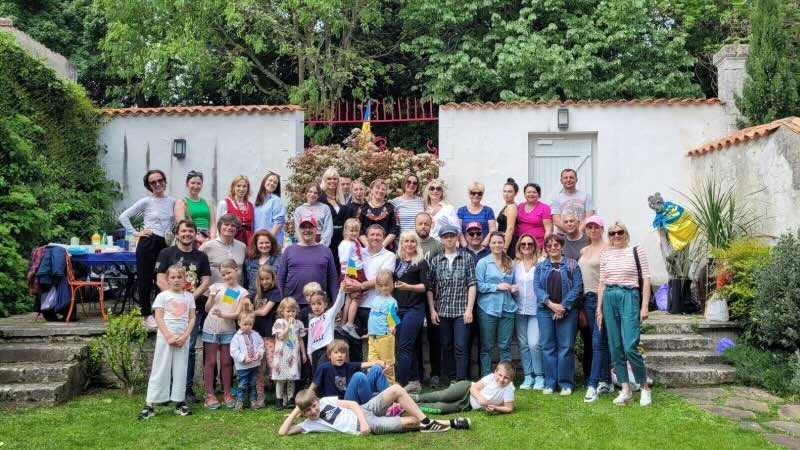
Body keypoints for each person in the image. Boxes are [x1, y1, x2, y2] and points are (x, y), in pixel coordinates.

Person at [154, 220, 211, 404]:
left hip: (192, 308)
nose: (187, 234)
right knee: (167, 347)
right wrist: (173, 299)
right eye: (183, 231)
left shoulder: (201, 255)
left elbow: (205, 281)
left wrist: (188, 299)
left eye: (191, 231)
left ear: (195, 234)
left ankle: (185, 389)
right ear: (177, 233)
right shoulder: (166, 253)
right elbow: (160, 278)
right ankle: (166, 390)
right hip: (170, 311)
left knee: (190, 347)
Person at [597, 221, 652, 406]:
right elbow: (602, 282)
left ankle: (644, 387)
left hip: (629, 296)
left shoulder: (636, 251)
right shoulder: (605, 254)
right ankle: (625, 389)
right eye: (612, 233)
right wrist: (599, 308)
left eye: (620, 232)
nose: (616, 236)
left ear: (626, 234)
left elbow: (646, 279)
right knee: (615, 346)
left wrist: (644, 306)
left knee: (630, 345)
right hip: (610, 297)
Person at [278, 385, 467, 436]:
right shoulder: (308, 424)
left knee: (396, 389)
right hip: (370, 424)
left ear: (317, 401)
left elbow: (352, 404)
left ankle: (426, 421)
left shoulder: (327, 401)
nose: (313, 410)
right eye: (308, 410)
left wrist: (363, 421)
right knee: (410, 422)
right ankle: (452, 423)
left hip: (364, 410)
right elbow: (282, 433)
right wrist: (296, 411)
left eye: (313, 405)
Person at [119, 169, 176, 329]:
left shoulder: (172, 201)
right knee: (145, 279)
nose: (157, 184)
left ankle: (159, 312)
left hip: (165, 244)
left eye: (160, 180)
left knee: (162, 279)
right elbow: (123, 217)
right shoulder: (146, 201)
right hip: (148, 242)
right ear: (149, 185)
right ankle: (145, 314)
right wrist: (137, 233)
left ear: (164, 181)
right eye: (153, 182)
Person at [138, 264, 196, 419]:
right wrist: (169, 336)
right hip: (166, 338)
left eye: (179, 277)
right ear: (167, 279)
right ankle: (150, 404)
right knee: (160, 368)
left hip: (183, 339)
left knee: (180, 370)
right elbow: (158, 317)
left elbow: (192, 318)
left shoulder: (189, 297)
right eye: (173, 277)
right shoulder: (162, 296)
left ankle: (179, 402)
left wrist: (184, 336)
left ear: (185, 280)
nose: (176, 280)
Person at [535, 234, 583, 396]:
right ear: (546, 249)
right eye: (549, 246)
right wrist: (551, 305)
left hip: (567, 312)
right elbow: (537, 288)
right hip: (545, 311)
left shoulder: (572, 264)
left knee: (566, 347)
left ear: (561, 247)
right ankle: (550, 383)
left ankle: (565, 383)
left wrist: (562, 307)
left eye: (556, 245)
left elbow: (577, 288)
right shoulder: (540, 267)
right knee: (548, 347)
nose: (553, 248)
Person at [428, 225, 477, 382]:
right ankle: (452, 378)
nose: (449, 239)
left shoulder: (466, 258)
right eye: (445, 236)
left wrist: (469, 309)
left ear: (457, 238)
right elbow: (430, 287)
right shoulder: (436, 261)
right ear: (441, 240)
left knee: (461, 346)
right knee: (447, 346)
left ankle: (462, 380)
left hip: (462, 310)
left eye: (452, 236)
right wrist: (432, 310)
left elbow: (472, 284)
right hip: (442, 310)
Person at [343, 224, 396, 362]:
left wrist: (360, 286)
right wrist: (350, 285)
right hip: (358, 306)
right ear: (366, 237)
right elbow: (349, 273)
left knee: (380, 344)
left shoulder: (390, 256)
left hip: (379, 308)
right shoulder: (359, 252)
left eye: (379, 235)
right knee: (355, 345)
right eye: (372, 234)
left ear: (383, 237)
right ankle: (358, 377)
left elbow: (383, 279)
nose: (375, 237)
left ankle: (380, 376)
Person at [202, 259, 250, 409]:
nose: (226, 276)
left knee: (227, 363)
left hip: (228, 330)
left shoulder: (242, 292)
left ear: (236, 270)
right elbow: (207, 309)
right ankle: (209, 394)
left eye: (229, 273)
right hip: (210, 328)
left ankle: (227, 393)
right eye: (223, 274)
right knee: (210, 362)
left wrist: (223, 315)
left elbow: (237, 314)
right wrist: (211, 296)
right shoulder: (216, 287)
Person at [277, 213, 339, 327]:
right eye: (304, 227)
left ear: (316, 229)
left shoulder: (326, 251)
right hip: (293, 306)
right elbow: (280, 277)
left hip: (318, 305)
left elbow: (333, 279)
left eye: (310, 227)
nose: (307, 230)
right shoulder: (289, 250)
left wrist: (336, 304)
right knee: (295, 340)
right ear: (299, 230)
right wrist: (281, 302)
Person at [580, 216, 613, 403]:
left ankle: (593, 384)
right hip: (586, 299)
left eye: (596, 227)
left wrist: (601, 303)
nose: (593, 230)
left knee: (598, 341)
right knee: (600, 341)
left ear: (602, 229)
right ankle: (606, 380)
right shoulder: (584, 250)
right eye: (589, 227)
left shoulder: (607, 249)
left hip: (601, 298)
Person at [476, 232, 518, 377]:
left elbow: (514, 284)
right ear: (489, 244)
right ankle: (487, 377)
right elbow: (479, 286)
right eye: (494, 242)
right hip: (488, 308)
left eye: (500, 242)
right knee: (487, 347)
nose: (497, 245)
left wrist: (513, 288)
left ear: (504, 244)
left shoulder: (510, 263)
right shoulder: (483, 263)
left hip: (507, 308)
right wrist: (496, 287)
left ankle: (505, 377)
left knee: (505, 346)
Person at [393, 231, 429, 393]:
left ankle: (399, 384)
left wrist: (408, 287)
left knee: (404, 347)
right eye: (406, 241)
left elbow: (424, 287)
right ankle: (414, 381)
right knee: (407, 346)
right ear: (401, 244)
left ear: (416, 244)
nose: (409, 244)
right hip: (397, 309)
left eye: (412, 242)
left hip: (414, 309)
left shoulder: (420, 262)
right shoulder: (396, 261)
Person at [412, 360, 515, 414]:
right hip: (466, 389)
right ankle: (416, 398)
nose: (501, 379)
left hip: (468, 405)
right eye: (500, 375)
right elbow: (473, 388)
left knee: (441, 409)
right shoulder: (491, 378)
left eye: (506, 378)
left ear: (511, 380)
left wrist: (495, 408)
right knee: (444, 396)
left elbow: (508, 408)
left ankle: (414, 406)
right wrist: (480, 398)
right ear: (495, 372)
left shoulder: (509, 389)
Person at [561, 211, 592, 385]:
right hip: (567, 299)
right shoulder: (560, 242)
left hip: (587, 296)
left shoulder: (587, 239)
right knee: (567, 342)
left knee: (589, 339)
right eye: (566, 221)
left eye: (572, 220)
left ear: (578, 222)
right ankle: (567, 378)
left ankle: (590, 376)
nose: (569, 223)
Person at [310, 339, 390, 404]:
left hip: (354, 399)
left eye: (343, 352)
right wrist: (301, 406)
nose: (340, 355)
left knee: (376, 369)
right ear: (329, 356)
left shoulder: (348, 366)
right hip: (342, 404)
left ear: (346, 355)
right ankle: (371, 407)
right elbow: (311, 389)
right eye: (336, 352)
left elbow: (366, 364)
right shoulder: (324, 368)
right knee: (359, 376)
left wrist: (381, 363)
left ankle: (390, 403)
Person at [414, 212, 443, 387]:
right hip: (413, 297)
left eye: (426, 223)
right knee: (416, 337)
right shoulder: (409, 242)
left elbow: (440, 270)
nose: (423, 226)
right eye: (420, 223)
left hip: (433, 295)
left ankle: (435, 373)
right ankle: (417, 374)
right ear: (415, 225)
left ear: (431, 226)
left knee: (434, 337)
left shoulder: (437, 245)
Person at [512, 234, 545, 390]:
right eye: (523, 244)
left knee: (534, 344)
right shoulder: (514, 264)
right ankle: (527, 376)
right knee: (523, 344)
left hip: (536, 309)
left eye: (530, 244)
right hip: (519, 309)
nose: (526, 246)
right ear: (519, 246)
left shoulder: (541, 263)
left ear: (535, 246)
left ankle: (539, 375)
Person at [252, 264, 282, 408]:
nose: (265, 282)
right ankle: (260, 397)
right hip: (256, 335)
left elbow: (264, 312)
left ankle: (278, 396)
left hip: (269, 335)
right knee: (258, 366)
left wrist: (250, 312)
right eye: (262, 279)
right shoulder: (256, 294)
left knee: (272, 364)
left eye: (267, 278)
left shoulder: (275, 292)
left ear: (272, 278)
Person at [272, 297, 308, 409]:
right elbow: (281, 336)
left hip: (293, 354)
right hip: (282, 355)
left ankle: (291, 399)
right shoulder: (279, 323)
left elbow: (300, 339)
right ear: (282, 311)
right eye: (288, 311)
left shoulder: (299, 323)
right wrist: (288, 325)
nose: (291, 314)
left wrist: (303, 353)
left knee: (292, 377)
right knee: (281, 378)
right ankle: (279, 400)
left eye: (293, 311)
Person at [366, 270, 399, 384]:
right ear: (377, 286)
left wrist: (393, 326)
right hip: (372, 337)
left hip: (385, 337)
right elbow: (372, 316)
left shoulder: (392, 302)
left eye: (386, 285)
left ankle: (391, 389)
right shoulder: (375, 299)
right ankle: (374, 389)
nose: (384, 288)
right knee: (372, 364)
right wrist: (369, 331)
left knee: (387, 365)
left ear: (392, 284)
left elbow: (392, 317)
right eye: (381, 285)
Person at [337, 218, 366, 340]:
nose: (354, 233)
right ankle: (349, 324)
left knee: (349, 298)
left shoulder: (354, 242)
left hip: (356, 270)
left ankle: (344, 323)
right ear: (346, 231)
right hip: (351, 273)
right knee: (356, 298)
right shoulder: (345, 244)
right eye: (351, 231)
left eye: (356, 231)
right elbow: (344, 261)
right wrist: (347, 278)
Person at [230, 311, 265, 410]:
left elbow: (261, 345)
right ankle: (240, 401)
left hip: (254, 365)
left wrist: (258, 354)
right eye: (245, 324)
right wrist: (244, 358)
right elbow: (234, 351)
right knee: (242, 384)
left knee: (253, 383)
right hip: (243, 367)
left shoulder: (255, 334)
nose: (248, 327)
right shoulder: (236, 338)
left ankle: (253, 401)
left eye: (250, 324)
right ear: (239, 323)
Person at [200, 214, 247, 285]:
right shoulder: (207, 246)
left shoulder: (242, 247)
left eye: (233, 225)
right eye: (226, 224)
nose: (229, 227)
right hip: (212, 293)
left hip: (236, 293)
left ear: (237, 229)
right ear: (219, 227)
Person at [307, 288, 346, 372]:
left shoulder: (328, 315)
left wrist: (341, 290)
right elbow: (310, 338)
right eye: (313, 304)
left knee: (323, 370)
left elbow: (338, 304)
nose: (316, 306)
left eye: (319, 303)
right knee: (316, 374)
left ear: (325, 305)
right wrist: (309, 352)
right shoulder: (311, 321)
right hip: (315, 351)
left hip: (326, 349)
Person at [174, 170, 215, 245]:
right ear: (187, 184)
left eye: (199, 183)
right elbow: (182, 225)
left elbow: (212, 224)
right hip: (190, 237)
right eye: (192, 183)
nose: (195, 186)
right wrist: (200, 239)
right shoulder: (181, 202)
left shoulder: (208, 203)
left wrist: (212, 239)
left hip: (207, 238)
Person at [357, 179, 400, 250]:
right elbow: (358, 229)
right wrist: (368, 247)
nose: (380, 191)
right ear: (371, 190)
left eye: (383, 189)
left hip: (385, 248)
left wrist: (382, 246)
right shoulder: (363, 208)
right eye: (377, 188)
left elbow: (395, 228)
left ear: (386, 192)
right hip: (365, 248)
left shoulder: (390, 208)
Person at [550, 168, 595, 234]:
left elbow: (589, 217)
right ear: (561, 180)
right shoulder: (556, 198)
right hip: (563, 236)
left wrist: (578, 232)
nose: (568, 180)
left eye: (571, 177)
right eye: (565, 178)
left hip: (582, 234)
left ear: (576, 180)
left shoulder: (586, 196)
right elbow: (556, 220)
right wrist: (570, 231)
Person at [318, 167, 346, 274]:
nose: (332, 181)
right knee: (328, 266)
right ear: (325, 180)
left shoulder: (340, 197)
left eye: (335, 179)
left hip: (341, 237)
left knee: (340, 265)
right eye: (329, 179)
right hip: (327, 236)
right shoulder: (320, 198)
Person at [216, 175, 255, 245]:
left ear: (247, 189)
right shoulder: (225, 203)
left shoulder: (251, 205)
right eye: (238, 186)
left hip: (249, 241)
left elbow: (252, 226)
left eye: (244, 186)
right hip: (231, 240)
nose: (241, 189)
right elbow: (218, 225)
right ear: (233, 187)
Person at [457, 181, 496, 248]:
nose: (476, 195)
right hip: (465, 248)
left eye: (479, 193)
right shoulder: (461, 211)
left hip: (484, 248)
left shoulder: (488, 210)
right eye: (473, 193)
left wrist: (483, 246)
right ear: (469, 194)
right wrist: (465, 246)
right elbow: (458, 230)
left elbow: (492, 230)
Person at [253, 171, 286, 249]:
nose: (272, 183)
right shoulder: (258, 201)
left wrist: (268, 240)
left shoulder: (276, 200)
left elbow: (278, 222)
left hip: (271, 242)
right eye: (270, 180)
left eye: (275, 183)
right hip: (258, 242)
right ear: (264, 181)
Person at [243, 230, 281, 294]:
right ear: (256, 244)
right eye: (261, 243)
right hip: (253, 296)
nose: (264, 245)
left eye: (267, 242)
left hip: (272, 298)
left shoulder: (279, 258)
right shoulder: (249, 260)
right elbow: (246, 281)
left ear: (271, 243)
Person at [516, 182, 552, 249]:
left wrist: (545, 248)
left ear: (539, 194)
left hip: (537, 245)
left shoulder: (544, 208)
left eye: (534, 192)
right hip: (520, 245)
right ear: (524, 194)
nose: (531, 194)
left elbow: (548, 230)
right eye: (528, 192)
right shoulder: (520, 206)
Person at [497, 178, 519, 258]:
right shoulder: (507, 206)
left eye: (510, 192)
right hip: (502, 242)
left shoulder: (511, 207)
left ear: (515, 193)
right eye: (505, 191)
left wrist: (504, 248)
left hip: (508, 245)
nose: (506, 194)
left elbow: (510, 228)